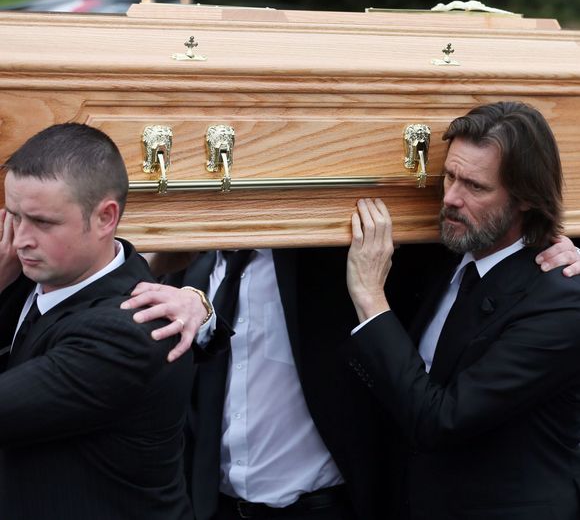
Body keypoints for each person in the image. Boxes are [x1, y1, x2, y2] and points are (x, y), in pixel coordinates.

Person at [126, 213, 580, 514]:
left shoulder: (337, 255)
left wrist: (568, 246)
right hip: (217, 504)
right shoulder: (198, 251)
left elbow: (482, 245)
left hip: (330, 504)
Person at [345, 101, 580, 519]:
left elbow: (440, 420)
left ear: (526, 198)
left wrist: (369, 296)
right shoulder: (447, 256)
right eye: (449, 176)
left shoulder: (561, 301)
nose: (450, 198)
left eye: (475, 186)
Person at [0, 123, 214, 520]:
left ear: (105, 218)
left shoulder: (128, 331)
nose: (20, 239)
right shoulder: (25, 278)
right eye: (14, 215)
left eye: (42, 222)